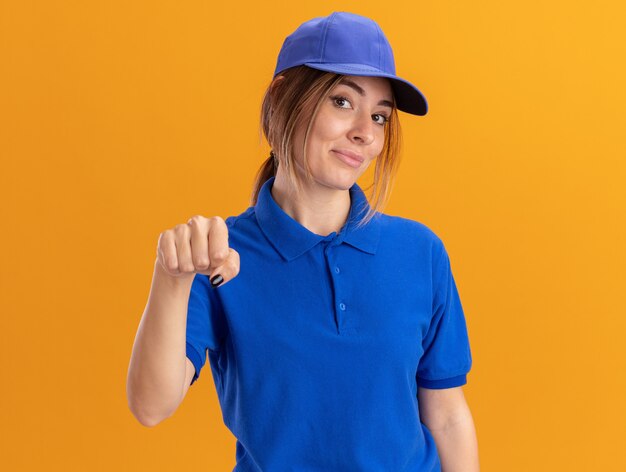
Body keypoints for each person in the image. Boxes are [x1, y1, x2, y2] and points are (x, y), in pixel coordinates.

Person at [127, 11, 479, 472]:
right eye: (340, 101)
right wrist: (171, 278)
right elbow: (150, 405)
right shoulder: (219, 254)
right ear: (281, 100)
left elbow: (447, 413)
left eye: (379, 115)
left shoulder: (421, 253)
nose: (365, 132)